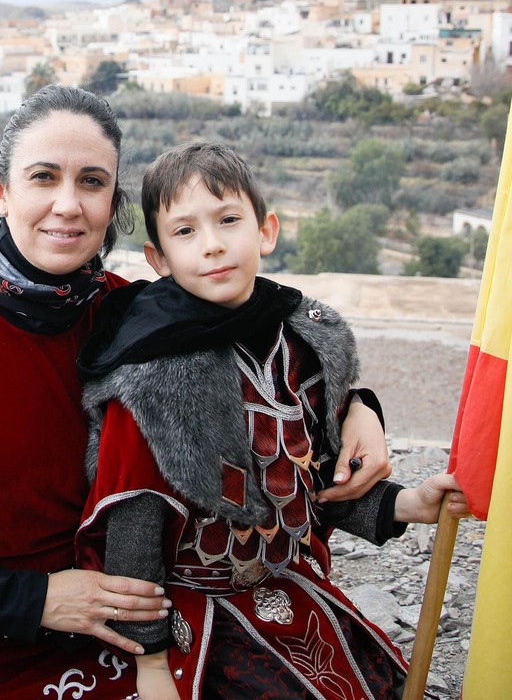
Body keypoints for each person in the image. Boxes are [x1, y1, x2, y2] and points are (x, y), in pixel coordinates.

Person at [0, 87, 393, 700]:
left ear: (112, 204)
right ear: (0, 190)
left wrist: (358, 407)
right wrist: (35, 599)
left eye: (91, 182)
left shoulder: (143, 319)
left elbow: (267, 355)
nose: (68, 205)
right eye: (43, 177)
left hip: (135, 633)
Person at [76, 143, 469, 700]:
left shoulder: (301, 342)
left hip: (288, 585)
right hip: (195, 612)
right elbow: (133, 525)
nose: (212, 244)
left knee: (383, 686)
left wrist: (407, 504)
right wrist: (152, 663)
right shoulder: (149, 371)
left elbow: (311, 478)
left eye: (228, 220)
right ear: (158, 260)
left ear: (266, 230)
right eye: (185, 231)